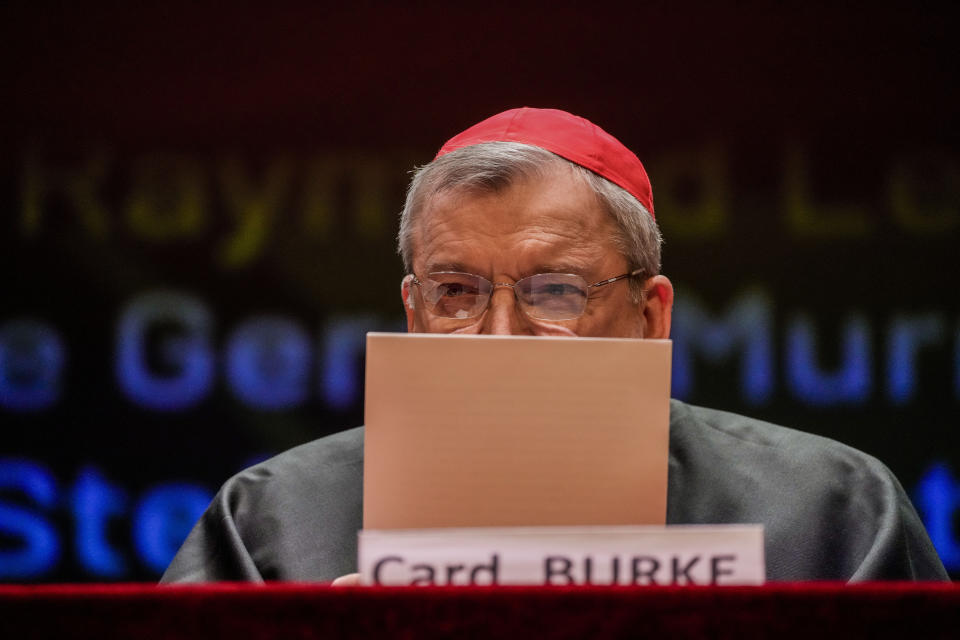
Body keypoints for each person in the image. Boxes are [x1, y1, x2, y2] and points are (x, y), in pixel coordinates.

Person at [161, 108, 947, 583]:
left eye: (556, 292)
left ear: (651, 315)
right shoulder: (271, 516)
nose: (500, 337)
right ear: (412, 309)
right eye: (457, 293)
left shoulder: (831, 507)